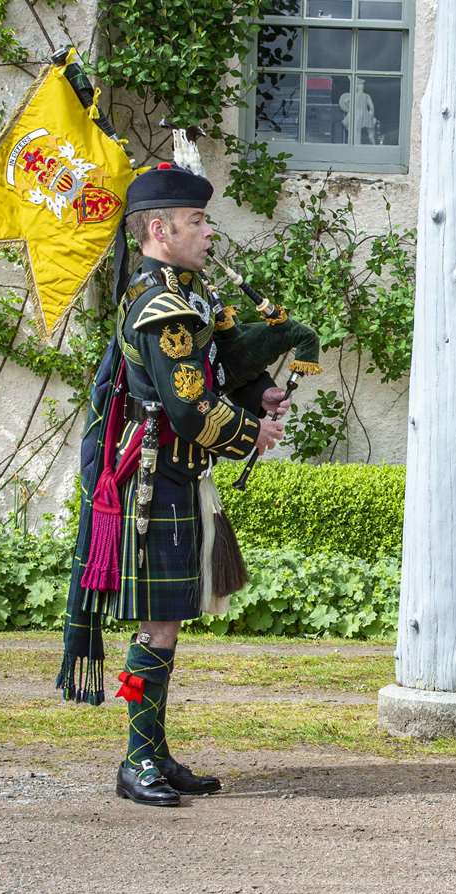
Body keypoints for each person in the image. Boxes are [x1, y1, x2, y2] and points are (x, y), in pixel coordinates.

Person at [57, 163, 287, 806]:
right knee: (155, 628)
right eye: (196, 222)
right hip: (152, 484)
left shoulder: (188, 293)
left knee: (167, 625)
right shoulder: (164, 308)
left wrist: (257, 390)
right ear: (159, 229)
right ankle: (137, 758)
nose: (208, 232)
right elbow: (189, 409)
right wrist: (251, 434)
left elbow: (212, 368)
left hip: (173, 477)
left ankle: (152, 750)